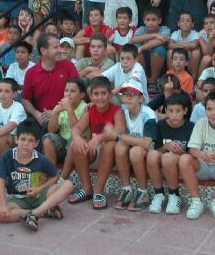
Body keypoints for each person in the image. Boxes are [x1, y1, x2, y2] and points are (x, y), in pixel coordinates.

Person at [0, 120, 75, 230]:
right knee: (0, 215)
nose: (26, 144)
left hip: (39, 196)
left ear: (36, 143)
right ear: (16, 139)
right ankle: (42, 212)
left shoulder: (41, 159)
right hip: (17, 199)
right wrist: (2, 204)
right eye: (23, 139)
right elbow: (0, 180)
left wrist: (39, 189)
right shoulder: (7, 156)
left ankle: (36, 213)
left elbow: (54, 176)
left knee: (68, 184)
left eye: (30, 141)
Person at [67, 76, 126, 209]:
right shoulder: (90, 110)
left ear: (110, 94)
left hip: (112, 153)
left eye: (103, 93)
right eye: (96, 94)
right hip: (94, 150)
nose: (100, 97)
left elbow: (119, 132)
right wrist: (77, 138)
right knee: (75, 145)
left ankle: (98, 190)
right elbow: (77, 127)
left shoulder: (117, 110)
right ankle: (87, 188)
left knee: (109, 144)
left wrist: (99, 138)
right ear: (91, 96)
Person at [179, 91, 215, 220]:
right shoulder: (201, 123)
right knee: (184, 159)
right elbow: (192, 149)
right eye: (209, 109)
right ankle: (196, 201)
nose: (213, 113)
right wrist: (200, 153)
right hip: (203, 165)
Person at [108, 80, 157, 211]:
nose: (128, 97)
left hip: (150, 150)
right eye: (125, 94)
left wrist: (118, 135)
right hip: (132, 146)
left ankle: (143, 192)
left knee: (134, 150)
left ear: (141, 98)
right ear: (121, 97)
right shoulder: (122, 110)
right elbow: (104, 99)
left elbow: (147, 143)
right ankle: (127, 189)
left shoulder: (148, 114)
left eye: (133, 94)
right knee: (119, 147)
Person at [147, 94, 194, 214]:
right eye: (170, 111)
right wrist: (166, 147)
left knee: (168, 157)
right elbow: (156, 151)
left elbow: (192, 154)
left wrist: (180, 152)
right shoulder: (160, 126)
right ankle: (159, 195)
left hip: (180, 161)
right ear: (165, 111)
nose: (174, 115)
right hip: (164, 158)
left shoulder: (191, 127)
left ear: (185, 111)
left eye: (178, 111)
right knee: (151, 155)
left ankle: (174, 195)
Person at [22, 33, 79, 126]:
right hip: (43, 119)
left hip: (67, 115)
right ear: (43, 50)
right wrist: (36, 114)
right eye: (56, 47)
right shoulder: (31, 73)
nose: (61, 51)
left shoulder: (68, 66)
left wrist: (55, 111)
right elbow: (25, 99)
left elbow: (77, 93)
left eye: (60, 47)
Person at [130, 7, 170, 84]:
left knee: (159, 49)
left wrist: (142, 48)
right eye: (148, 20)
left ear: (159, 20)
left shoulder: (165, 29)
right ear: (144, 21)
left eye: (154, 20)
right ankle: (143, 78)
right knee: (135, 46)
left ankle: (152, 81)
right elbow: (134, 39)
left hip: (159, 61)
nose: (150, 23)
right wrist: (154, 35)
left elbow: (161, 41)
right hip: (143, 60)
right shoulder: (142, 29)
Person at [167, 10, 200, 76]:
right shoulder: (176, 33)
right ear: (178, 23)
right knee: (170, 52)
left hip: (190, 55)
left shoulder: (195, 33)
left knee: (196, 52)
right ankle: (172, 76)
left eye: (188, 20)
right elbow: (170, 45)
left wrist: (176, 43)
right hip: (178, 54)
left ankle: (193, 78)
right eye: (182, 20)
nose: (185, 22)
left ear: (192, 24)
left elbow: (194, 45)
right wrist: (186, 46)